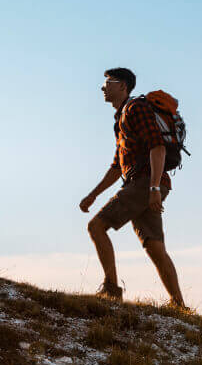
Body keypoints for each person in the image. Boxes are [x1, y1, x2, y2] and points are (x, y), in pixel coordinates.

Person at [78, 67, 186, 307]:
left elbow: (157, 147)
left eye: (109, 82)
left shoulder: (135, 109)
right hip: (144, 185)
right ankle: (179, 304)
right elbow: (117, 166)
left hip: (145, 183)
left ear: (123, 86)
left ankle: (111, 289)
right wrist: (92, 195)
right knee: (155, 247)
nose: (103, 87)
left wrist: (154, 188)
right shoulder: (121, 118)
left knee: (96, 226)